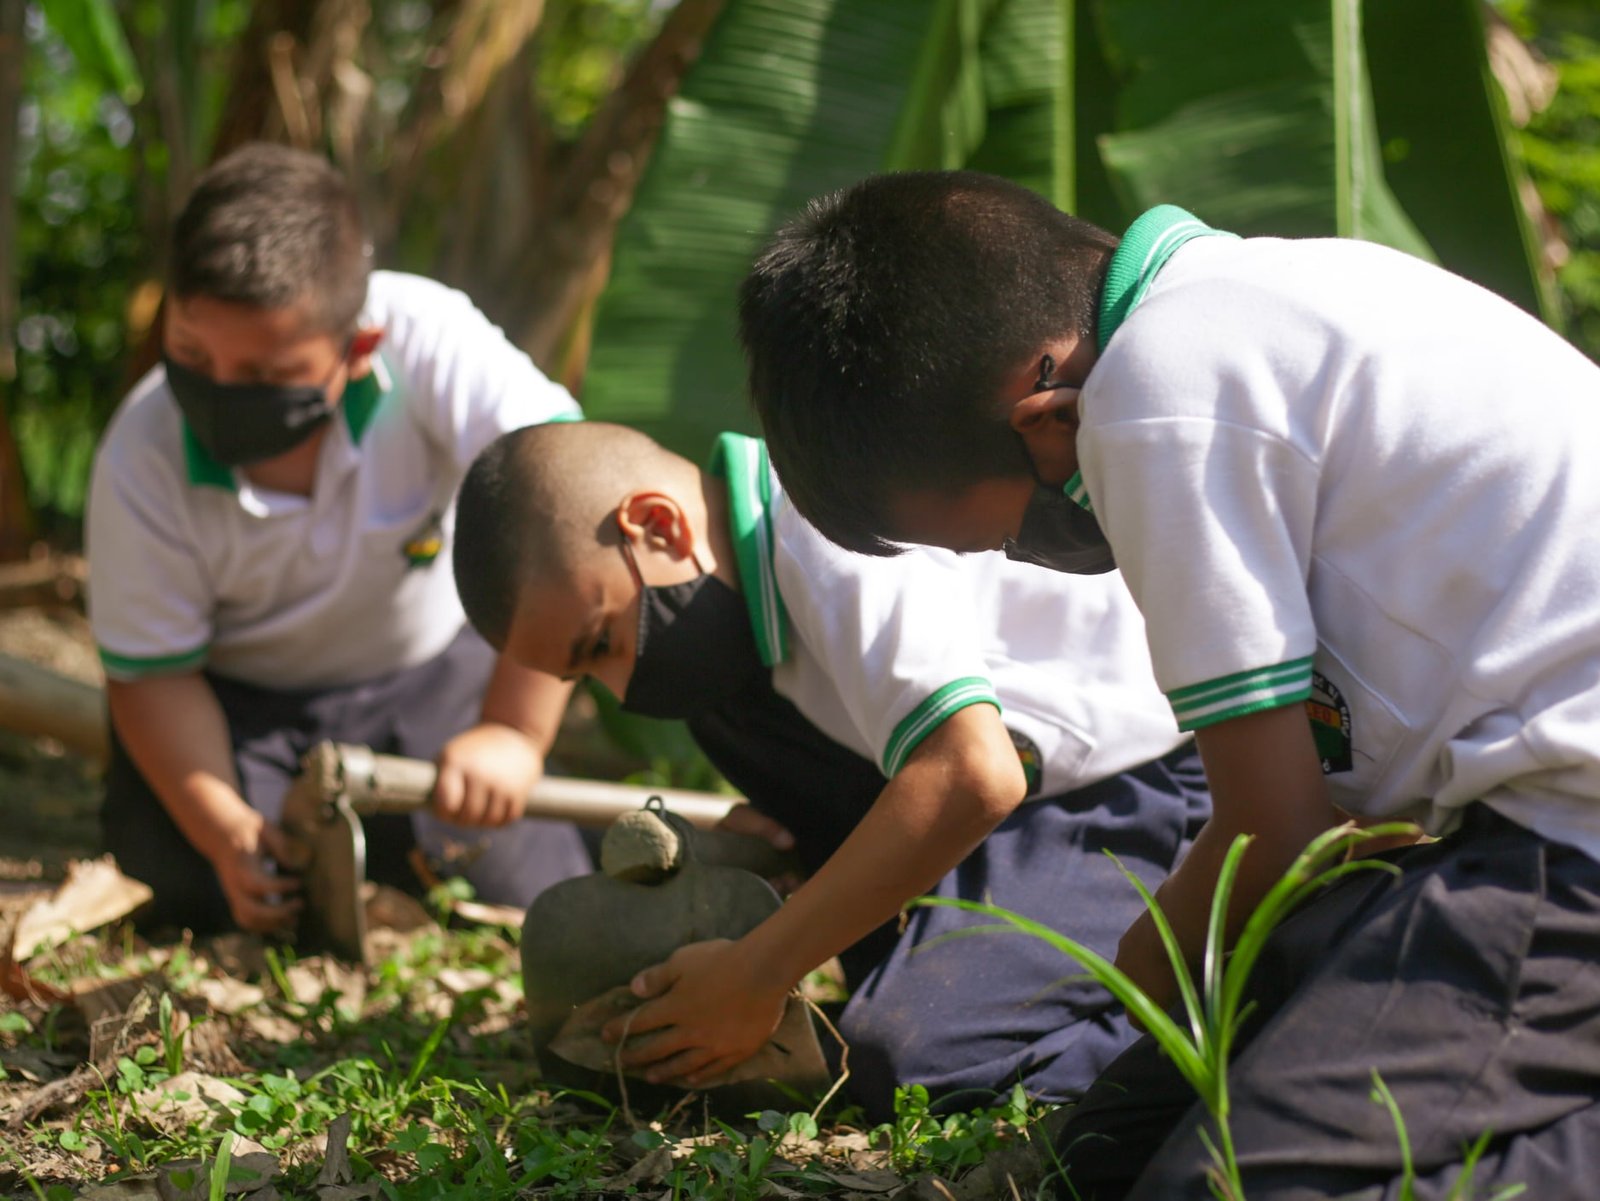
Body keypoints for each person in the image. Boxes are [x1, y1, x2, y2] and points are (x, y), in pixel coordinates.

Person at [736, 171, 1600, 1197]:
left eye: (1006, 532)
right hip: (1527, 826)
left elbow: (1275, 834)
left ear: (1046, 417)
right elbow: (1325, 835)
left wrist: (1146, 955)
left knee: (1220, 1183)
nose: (1028, 556)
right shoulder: (1259, 296)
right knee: (1109, 1147)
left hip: (1567, 842)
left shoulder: (1155, 394)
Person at [450, 418, 1209, 1119]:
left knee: (915, 1058)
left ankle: (1235, 1016)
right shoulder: (724, 664)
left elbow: (976, 773)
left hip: (1135, 780)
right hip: (1013, 825)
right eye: (584, 677)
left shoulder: (823, 521)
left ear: (657, 525)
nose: (619, 689)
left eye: (599, 643)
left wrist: (758, 969)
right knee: (880, 1037)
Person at [87, 142, 591, 938]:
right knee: (197, 887)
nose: (216, 386)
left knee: (530, 893)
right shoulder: (139, 454)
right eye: (190, 353)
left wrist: (512, 731)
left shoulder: (428, 338)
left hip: (434, 681)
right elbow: (153, 678)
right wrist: (223, 827)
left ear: (357, 350)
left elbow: (568, 493)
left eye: (262, 375)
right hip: (236, 710)